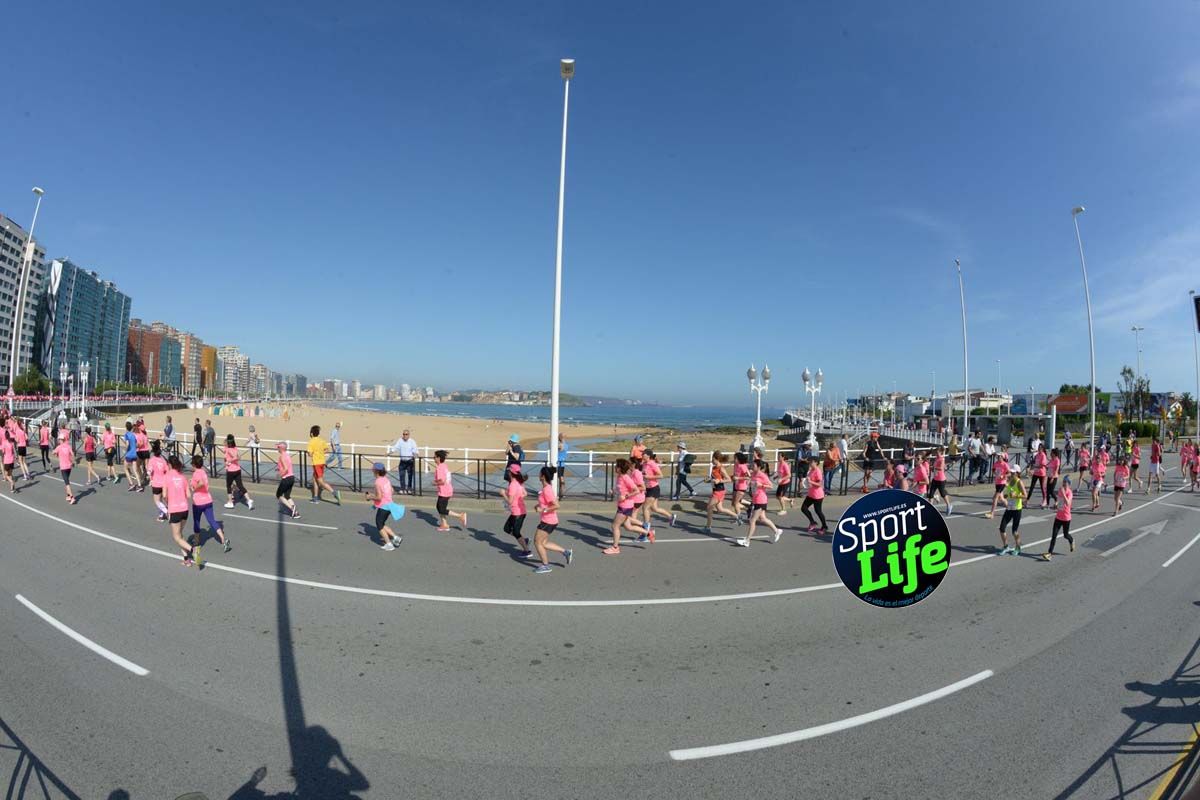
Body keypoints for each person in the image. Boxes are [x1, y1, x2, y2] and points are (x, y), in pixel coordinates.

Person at [532, 466, 572, 574]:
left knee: (537, 542)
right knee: (543, 543)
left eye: (539, 473)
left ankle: (546, 565)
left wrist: (543, 510)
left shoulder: (547, 490)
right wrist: (538, 505)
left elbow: (556, 505)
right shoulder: (546, 488)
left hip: (548, 521)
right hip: (549, 520)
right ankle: (566, 552)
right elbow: (547, 503)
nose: (538, 475)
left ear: (543, 476)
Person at [164, 455, 201, 567]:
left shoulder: (167, 477)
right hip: (184, 509)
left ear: (169, 465)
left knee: (177, 537)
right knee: (180, 535)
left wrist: (168, 503)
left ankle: (193, 550)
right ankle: (186, 559)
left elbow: (165, 495)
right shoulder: (183, 477)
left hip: (174, 509)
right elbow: (189, 495)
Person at [736, 459, 782, 547]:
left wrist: (761, 485)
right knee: (763, 519)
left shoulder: (763, 475)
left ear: (759, 467)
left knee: (752, 520)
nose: (752, 466)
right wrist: (749, 483)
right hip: (756, 499)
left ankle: (747, 541)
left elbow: (771, 486)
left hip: (761, 500)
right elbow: (752, 484)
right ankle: (777, 531)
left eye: (754, 465)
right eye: (752, 465)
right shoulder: (753, 474)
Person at [190, 454, 230, 553]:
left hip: (198, 502)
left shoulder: (196, 473)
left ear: (194, 464)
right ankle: (223, 540)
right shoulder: (203, 472)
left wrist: (193, 487)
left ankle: (197, 541)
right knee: (212, 521)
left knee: (197, 521)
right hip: (208, 500)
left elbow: (201, 483)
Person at [607, 458, 642, 555]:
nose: (615, 467)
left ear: (620, 468)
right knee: (628, 526)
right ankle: (648, 533)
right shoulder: (619, 476)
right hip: (622, 505)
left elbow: (636, 490)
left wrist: (625, 496)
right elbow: (621, 488)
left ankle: (615, 548)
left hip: (626, 506)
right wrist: (614, 491)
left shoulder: (626, 478)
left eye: (616, 466)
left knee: (615, 526)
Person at [364, 462, 402, 551]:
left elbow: (379, 497)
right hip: (390, 505)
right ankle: (396, 538)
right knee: (382, 524)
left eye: (372, 469)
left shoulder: (377, 482)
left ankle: (389, 544)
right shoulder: (386, 479)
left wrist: (370, 497)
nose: (371, 470)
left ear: (376, 471)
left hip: (384, 507)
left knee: (379, 526)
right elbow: (391, 491)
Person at [639, 450, 675, 535]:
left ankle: (646, 528)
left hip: (654, 488)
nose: (642, 455)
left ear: (648, 455)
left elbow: (660, 475)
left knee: (645, 508)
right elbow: (643, 474)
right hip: (648, 488)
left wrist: (649, 477)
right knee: (654, 508)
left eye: (643, 454)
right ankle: (671, 516)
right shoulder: (644, 464)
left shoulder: (652, 464)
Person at [1041, 475, 1075, 561]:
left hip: (1066, 518)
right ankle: (1049, 554)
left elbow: (1067, 503)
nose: (1064, 484)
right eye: (1063, 482)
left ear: (1069, 484)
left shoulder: (1070, 493)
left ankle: (1071, 540)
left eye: (1066, 482)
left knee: (1065, 535)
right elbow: (1059, 500)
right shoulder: (1060, 490)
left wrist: (1064, 494)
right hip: (1058, 517)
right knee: (1054, 536)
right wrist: (1056, 504)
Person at [432, 449, 467, 531]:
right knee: (439, 507)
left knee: (442, 509)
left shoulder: (440, 468)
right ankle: (444, 524)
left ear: (438, 458)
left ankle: (460, 516)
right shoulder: (444, 465)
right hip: (447, 490)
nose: (433, 459)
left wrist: (434, 483)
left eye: (434, 457)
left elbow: (442, 481)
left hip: (444, 491)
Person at [704, 451, 739, 532]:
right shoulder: (714, 468)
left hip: (719, 491)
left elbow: (729, 479)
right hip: (716, 490)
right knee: (720, 509)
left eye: (712, 458)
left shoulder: (721, 468)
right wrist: (709, 480)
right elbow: (714, 479)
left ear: (716, 459)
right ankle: (737, 516)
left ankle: (708, 527)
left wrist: (719, 481)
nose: (711, 460)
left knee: (709, 507)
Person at [502, 469, 533, 557]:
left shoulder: (512, 485)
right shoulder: (519, 482)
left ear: (510, 474)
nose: (506, 473)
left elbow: (510, 502)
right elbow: (525, 494)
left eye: (508, 471)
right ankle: (524, 540)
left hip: (518, 513)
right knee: (507, 528)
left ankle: (527, 551)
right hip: (517, 511)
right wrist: (517, 498)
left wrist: (503, 494)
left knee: (516, 532)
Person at [306, 425, 339, 505]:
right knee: (314, 480)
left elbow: (310, 454)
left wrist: (313, 453)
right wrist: (320, 453)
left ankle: (334, 492)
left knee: (320, 481)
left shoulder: (311, 441)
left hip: (316, 463)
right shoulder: (321, 440)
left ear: (311, 433)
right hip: (322, 462)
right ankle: (315, 498)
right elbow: (327, 449)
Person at [997, 467, 1026, 556]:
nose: (1012, 474)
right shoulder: (1010, 481)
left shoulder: (1019, 482)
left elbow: (1025, 496)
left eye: (1013, 473)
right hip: (1009, 508)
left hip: (1017, 509)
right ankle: (1006, 546)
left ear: (1017, 473)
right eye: (1011, 472)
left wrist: (1016, 495)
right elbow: (1009, 493)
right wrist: (1005, 496)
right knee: (1002, 528)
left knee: (1014, 531)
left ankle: (1018, 547)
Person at [799, 456, 828, 535]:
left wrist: (811, 482)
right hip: (811, 494)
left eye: (811, 462)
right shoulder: (811, 470)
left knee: (818, 511)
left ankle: (824, 526)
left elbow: (819, 484)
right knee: (803, 508)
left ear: (816, 462)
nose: (810, 463)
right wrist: (804, 481)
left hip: (817, 495)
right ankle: (812, 522)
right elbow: (809, 480)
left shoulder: (818, 471)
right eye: (809, 462)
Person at [273, 441, 300, 519]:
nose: (277, 448)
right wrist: (278, 468)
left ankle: (292, 508)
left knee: (278, 495)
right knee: (287, 496)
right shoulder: (287, 455)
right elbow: (286, 465)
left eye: (278, 447)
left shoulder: (282, 456)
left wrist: (279, 475)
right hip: (291, 478)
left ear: (281, 448)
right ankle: (296, 513)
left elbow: (286, 469)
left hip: (286, 479)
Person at [387, 429, 418, 494]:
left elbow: (415, 450)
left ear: (409, 435)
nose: (405, 436)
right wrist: (388, 453)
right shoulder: (400, 440)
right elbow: (395, 447)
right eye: (403, 434)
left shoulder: (412, 441)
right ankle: (402, 488)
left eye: (406, 434)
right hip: (402, 461)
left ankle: (409, 488)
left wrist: (415, 455)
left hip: (410, 461)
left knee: (410, 476)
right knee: (401, 475)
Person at [148, 441, 170, 521]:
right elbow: (167, 471)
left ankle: (167, 512)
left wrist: (149, 475)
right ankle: (161, 515)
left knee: (157, 501)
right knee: (163, 499)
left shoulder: (152, 460)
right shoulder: (163, 460)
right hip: (163, 483)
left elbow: (149, 470)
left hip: (156, 483)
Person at [929, 446, 953, 516]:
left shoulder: (942, 459)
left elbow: (941, 468)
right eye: (936, 451)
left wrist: (933, 467)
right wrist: (932, 468)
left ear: (941, 452)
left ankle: (949, 505)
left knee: (942, 493)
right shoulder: (936, 458)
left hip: (941, 479)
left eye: (937, 452)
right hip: (935, 478)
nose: (936, 453)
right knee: (930, 494)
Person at [53, 434, 76, 505]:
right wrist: (73, 462)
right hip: (69, 467)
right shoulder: (68, 446)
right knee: (67, 481)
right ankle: (68, 496)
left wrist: (55, 453)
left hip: (63, 467)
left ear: (60, 440)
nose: (58, 441)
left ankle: (72, 497)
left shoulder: (59, 447)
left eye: (59, 439)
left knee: (67, 483)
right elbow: (72, 454)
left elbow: (53, 452)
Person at [122, 421, 142, 491]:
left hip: (129, 454)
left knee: (125, 468)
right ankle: (139, 485)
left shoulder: (126, 434)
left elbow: (127, 444)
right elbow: (136, 445)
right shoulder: (133, 435)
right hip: (134, 454)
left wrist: (125, 450)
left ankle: (131, 484)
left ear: (126, 427)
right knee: (135, 470)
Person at [731, 450, 751, 521]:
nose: (734, 459)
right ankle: (748, 509)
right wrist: (733, 477)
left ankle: (739, 519)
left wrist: (738, 478)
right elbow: (736, 474)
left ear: (739, 459)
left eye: (735, 458)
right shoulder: (736, 465)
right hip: (736, 485)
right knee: (733, 504)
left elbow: (748, 476)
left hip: (742, 487)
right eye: (734, 458)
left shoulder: (743, 466)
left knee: (736, 504)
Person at [1028, 444, 1048, 508]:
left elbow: (1042, 465)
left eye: (1040, 448)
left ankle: (1045, 500)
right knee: (1031, 487)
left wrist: (1035, 466)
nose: (1039, 449)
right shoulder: (1037, 455)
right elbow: (1033, 462)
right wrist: (1031, 469)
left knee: (1042, 487)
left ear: (1042, 449)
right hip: (1036, 473)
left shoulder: (1043, 455)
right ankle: (1027, 500)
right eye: (1038, 448)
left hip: (1042, 473)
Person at [774, 450, 793, 515]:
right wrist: (776, 477)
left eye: (779, 457)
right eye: (778, 457)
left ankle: (784, 510)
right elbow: (780, 473)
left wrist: (781, 479)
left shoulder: (785, 465)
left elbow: (789, 475)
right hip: (781, 483)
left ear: (783, 457)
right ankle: (790, 500)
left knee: (780, 497)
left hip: (785, 483)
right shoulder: (780, 464)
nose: (778, 458)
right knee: (777, 496)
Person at [134, 422, 151, 486]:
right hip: (147, 451)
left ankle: (141, 477)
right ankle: (150, 480)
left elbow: (140, 444)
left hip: (140, 451)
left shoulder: (139, 435)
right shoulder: (145, 434)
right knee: (147, 466)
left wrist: (136, 446)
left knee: (137, 466)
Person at [556, 432, 569, 496]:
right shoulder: (566, 445)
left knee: (560, 478)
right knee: (561, 477)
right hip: (562, 463)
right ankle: (561, 492)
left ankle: (562, 492)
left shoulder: (560, 445)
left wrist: (550, 439)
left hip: (558, 464)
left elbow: (552, 447)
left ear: (560, 438)